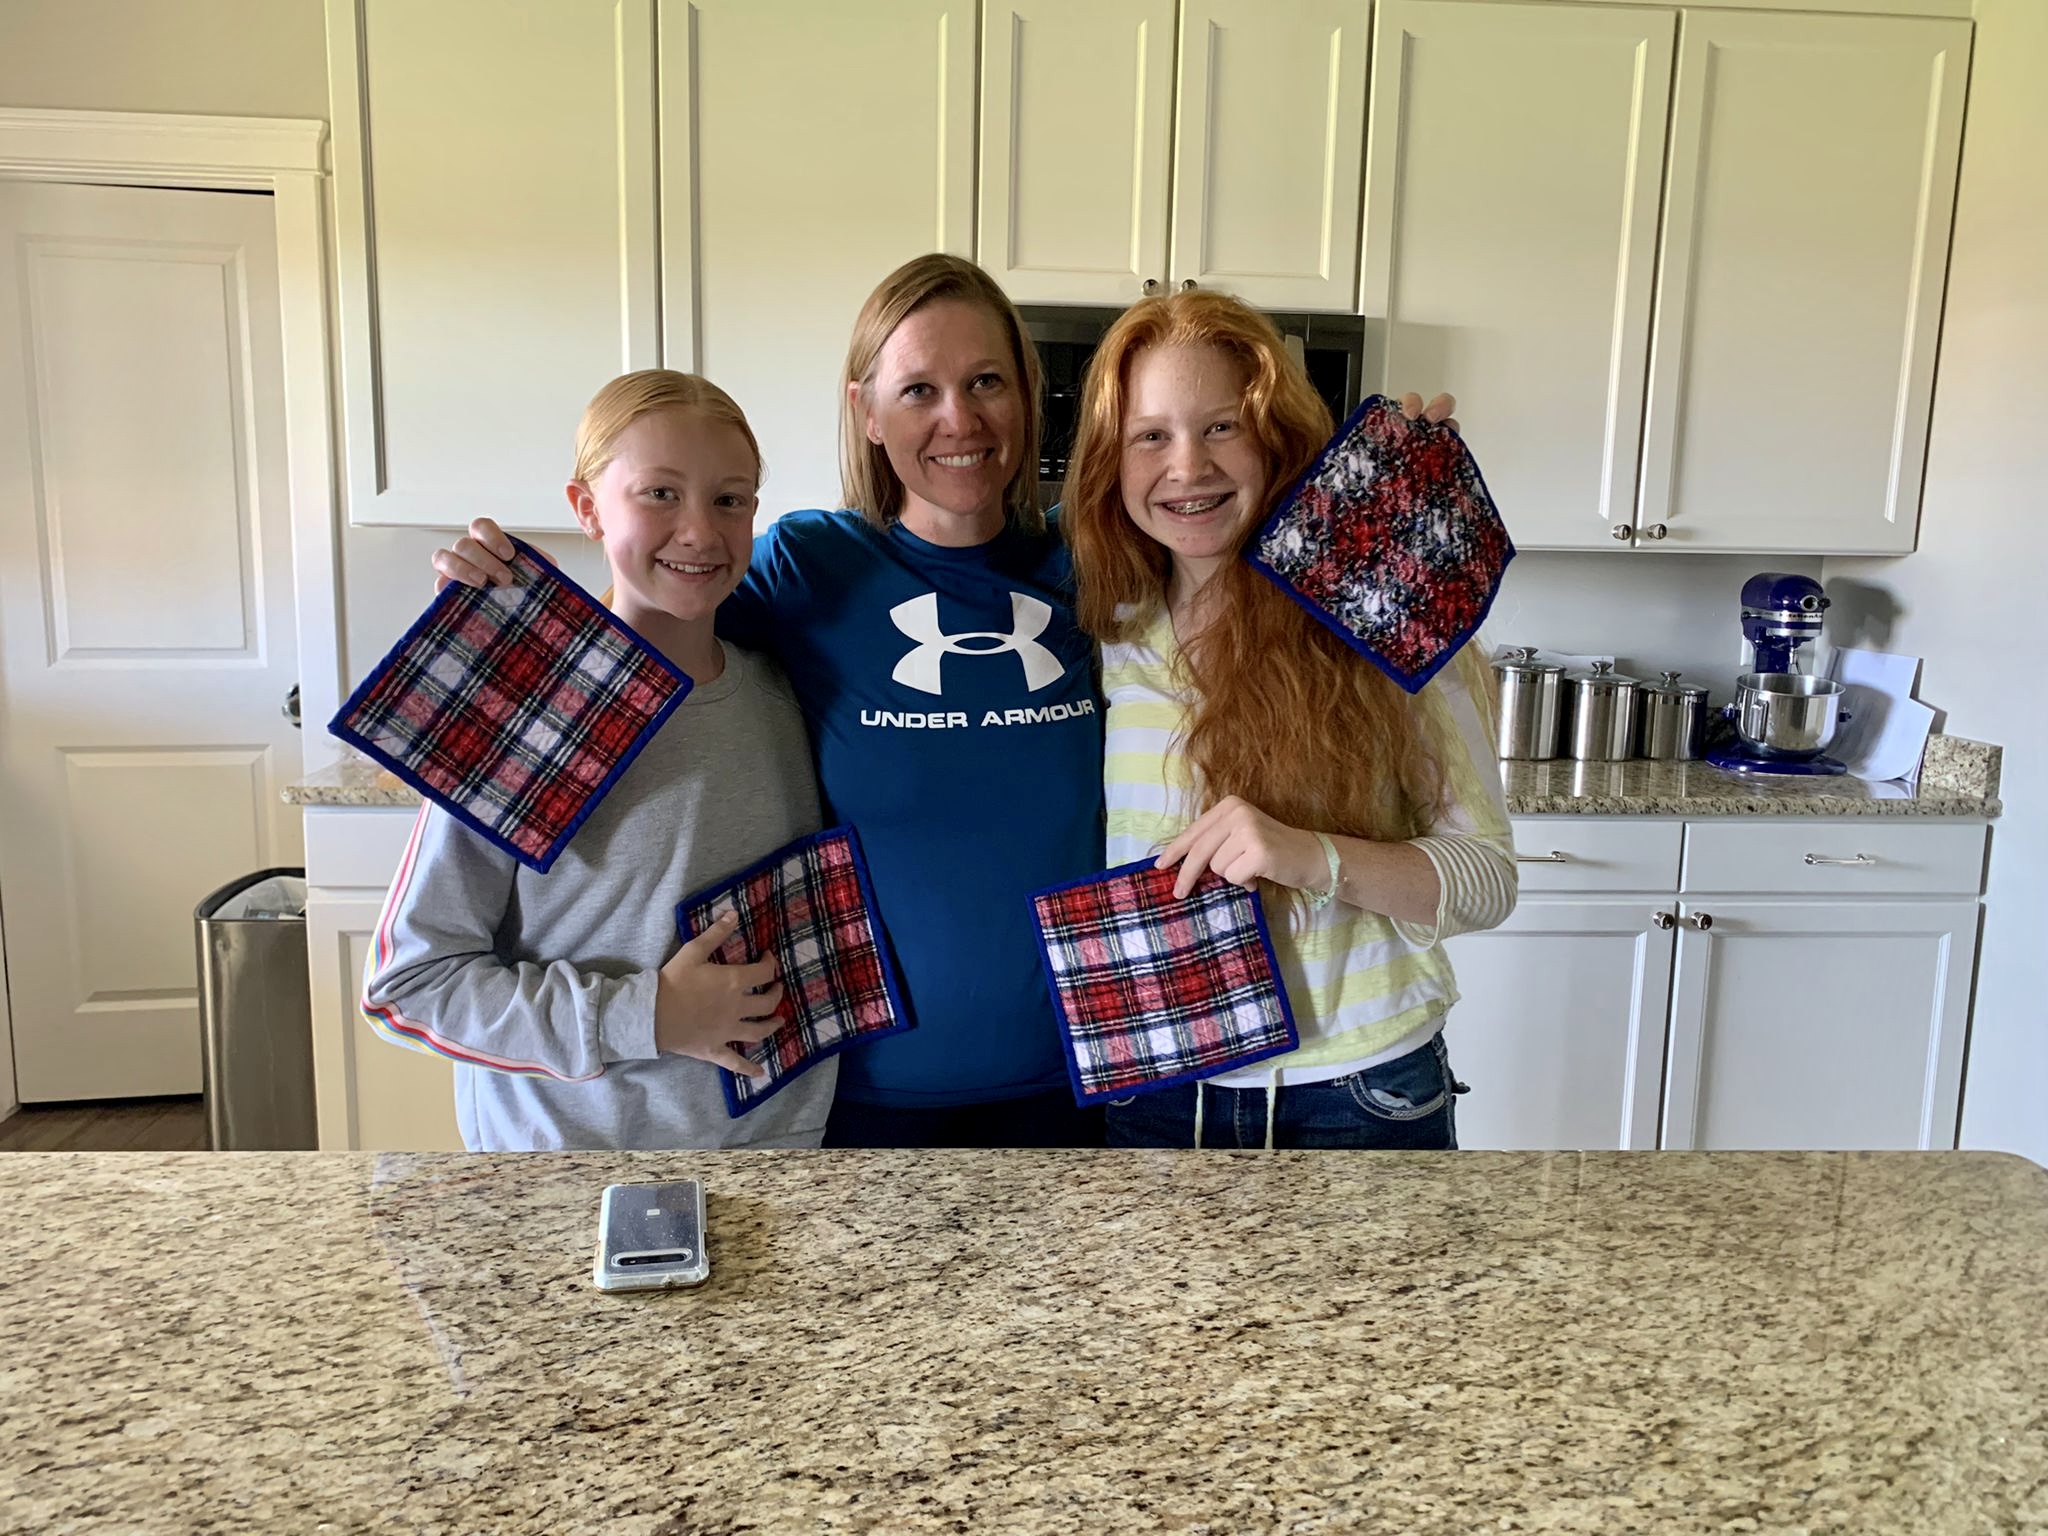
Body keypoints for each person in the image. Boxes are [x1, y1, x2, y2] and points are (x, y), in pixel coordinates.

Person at [428, 257, 1107, 1149]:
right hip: (856, 1097)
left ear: (1028, 396)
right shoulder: (810, 568)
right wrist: (511, 616)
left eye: (988, 381)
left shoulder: (1096, 566)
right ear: (867, 411)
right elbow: (654, 623)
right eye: (918, 389)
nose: (959, 418)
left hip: (1083, 1079)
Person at [1060, 290, 1517, 1151]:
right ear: (1110, 464)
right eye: (1149, 436)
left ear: (1275, 438)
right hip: (1158, 1095)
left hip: (1361, 1094)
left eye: (1221, 427)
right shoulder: (1105, 632)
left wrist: (1308, 855)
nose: (1187, 466)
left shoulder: (1381, 609)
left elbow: (1487, 878)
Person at [362, 371, 830, 1152]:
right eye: (659, 494)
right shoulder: (521, 709)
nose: (699, 531)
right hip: (570, 1173)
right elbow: (410, 986)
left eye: (730, 499)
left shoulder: (789, 694)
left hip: (778, 1156)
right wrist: (647, 1014)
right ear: (586, 509)